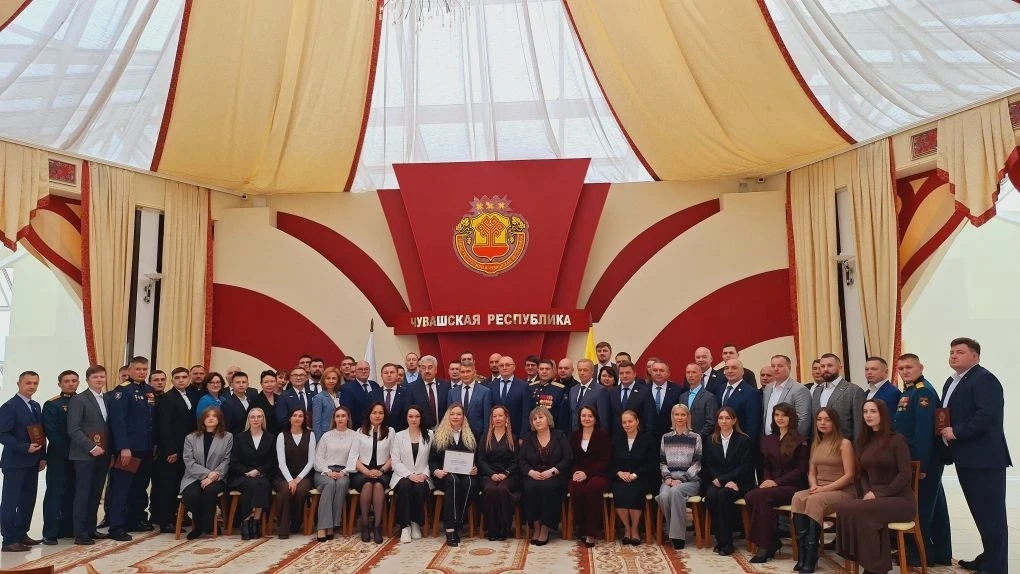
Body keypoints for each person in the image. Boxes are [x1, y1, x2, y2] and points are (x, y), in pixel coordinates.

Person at [939, 337, 1011, 574]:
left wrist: (956, 432)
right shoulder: (952, 381)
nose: (953, 355)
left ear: (975, 356)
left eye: (960, 352)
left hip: (985, 459)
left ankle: (996, 567)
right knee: (981, 514)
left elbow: (987, 415)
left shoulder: (984, 379)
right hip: (966, 458)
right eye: (952, 351)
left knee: (992, 516)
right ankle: (987, 558)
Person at [835, 400, 915, 574]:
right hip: (875, 498)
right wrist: (867, 492)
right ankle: (872, 563)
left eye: (873, 411)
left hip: (900, 499)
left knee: (862, 512)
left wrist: (879, 494)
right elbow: (862, 474)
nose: (868, 415)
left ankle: (874, 569)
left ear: (882, 414)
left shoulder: (897, 440)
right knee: (843, 507)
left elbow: (904, 475)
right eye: (865, 412)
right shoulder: (864, 441)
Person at [892, 353, 952, 567]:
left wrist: (922, 466)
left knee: (922, 508)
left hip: (923, 460)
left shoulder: (923, 391)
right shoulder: (909, 391)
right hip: (915, 458)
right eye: (901, 368)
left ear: (920, 367)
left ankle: (920, 554)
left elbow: (924, 433)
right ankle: (941, 553)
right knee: (936, 507)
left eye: (909, 367)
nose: (904, 371)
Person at [790, 407, 856, 573]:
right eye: (819, 419)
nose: (823, 423)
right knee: (798, 497)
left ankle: (812, 554)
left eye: (827, 420)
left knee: (814, 500)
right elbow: (812, 472)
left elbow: (849, 475)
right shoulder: (816, 443)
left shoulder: (844, 444)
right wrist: (814, 485)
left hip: (843, 491)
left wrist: (823, 489)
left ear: (835, 422)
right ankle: (803, 552)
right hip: (819, 488)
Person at [745, 403, 808, 563]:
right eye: (776, 415)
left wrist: (775, 482)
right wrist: (767, 480)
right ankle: (771, 540)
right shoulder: (768, 440)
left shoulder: (800, 440)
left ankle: (765, 546)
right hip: (772, 486)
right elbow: (766, 466)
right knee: (750, 496)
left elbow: (800, 470)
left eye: (784, 415)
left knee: (760, 496)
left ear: (791, 418)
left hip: (793, 486)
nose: (780, 418)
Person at [107, 356, 156, 540]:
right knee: (121, 488)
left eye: (145, 369)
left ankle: (134, 520)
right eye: (138, 369)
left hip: (146, 448)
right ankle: (116, 527)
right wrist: (123, 447)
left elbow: (152, 420)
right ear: (129, 370)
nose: (142, 372)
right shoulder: (122, 391)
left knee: (139, 487)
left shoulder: (149, 390)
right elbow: (118, 422)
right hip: (129, 449)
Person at [0, 371, 46, 551]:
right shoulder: (9, 407)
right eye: (28, 383)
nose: (32, 386)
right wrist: (24, 447)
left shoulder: (35, 406)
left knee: (28, 500)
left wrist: (42, 457)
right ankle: (9, 540)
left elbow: (40, 434)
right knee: (11, 502)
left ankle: (21, 533)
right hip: (15, 462)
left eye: (35, 383)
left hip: (33, 462)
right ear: (18, 384)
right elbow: (3, 434)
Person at [67, 365, 111, 546]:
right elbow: (73, 429)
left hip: (103, 454)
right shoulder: (79, 399)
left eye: (102, 377)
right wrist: (91, 447)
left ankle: (91, 528)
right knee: (83, 494)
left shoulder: (107, 398)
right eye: (95, 377)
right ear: (87, 380)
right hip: (84, 455)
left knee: (96, 493)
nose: (99, 380)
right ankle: (80, 533)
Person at [702, 406, 755, 556]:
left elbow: (745, 466)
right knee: (711, 496)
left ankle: (727, 542)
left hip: (739, 483)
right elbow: (708, 464)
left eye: (727, 418)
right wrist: (720, 480)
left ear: (734, 420)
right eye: (721, 418)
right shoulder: (711, 440)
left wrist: (726, 480)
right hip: (717, 481)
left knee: (724, 495)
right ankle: (721, 539)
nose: (724, 421)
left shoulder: (743, 440)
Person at [519, 406, 572, 545]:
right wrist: (531, 472)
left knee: (549, 488)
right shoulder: (528, 438)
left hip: (555, 475)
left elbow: (568, 459)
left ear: (548, 419)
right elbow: (521, 460)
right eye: (534, 419)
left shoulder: (559, 436)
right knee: (530, 488)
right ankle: (536, 527)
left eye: (541, 417)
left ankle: (545, 528)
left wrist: (552, 471)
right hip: (534, 474)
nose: (537, 421)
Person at [153, 366, 196, 533]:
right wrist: (170, 450)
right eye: (177, 378)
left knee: (179, 484)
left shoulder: (191, 395)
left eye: (184, 377)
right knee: (168, 486)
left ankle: (178, 516)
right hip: (172, 450)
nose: (181, 380)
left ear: (189, 379)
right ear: (172, 381)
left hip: (187, 448)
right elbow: (164, 427)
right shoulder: (167, 398)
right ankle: (165, 521)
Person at [179, 407, 232, 540]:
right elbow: (189, 461)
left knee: (209, 491)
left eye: (214, 416)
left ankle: (203, 527)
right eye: (207, 416)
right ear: (202, 420)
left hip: (218, 477)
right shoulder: (190, 438)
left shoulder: (227, 437)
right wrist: (208, 474)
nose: (211, 418)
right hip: (193, 476)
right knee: (191, 494)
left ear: (219, 419)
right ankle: (202, 525)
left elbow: (227, 460)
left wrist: (214, 475)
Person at [430, 404, 478, 547]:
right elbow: (432, 460)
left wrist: (475, 468)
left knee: (471, 482)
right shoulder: (439, 434)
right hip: (444, 475)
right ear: (448, 416)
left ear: (463, 417)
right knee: (453, 480)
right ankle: (450, 528)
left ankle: (458, 522)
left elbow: (476, 459)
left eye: (458, 414)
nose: (455, 417)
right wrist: (436, 471)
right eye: (452, 414)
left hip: (465, 474)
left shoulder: (471, 434)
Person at [656, 404, 702, 549]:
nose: (680, 418)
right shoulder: (665, 437)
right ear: (672, 417)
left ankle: (677, 536)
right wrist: (667, 478)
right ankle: (673, 530)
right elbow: (662, 462)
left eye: (683, 415)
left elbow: (697, 464)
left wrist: (682, 480)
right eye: (677, 414)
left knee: (676, 492)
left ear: (688, 417)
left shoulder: (695, 437)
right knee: (663, 496)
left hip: (690, 480)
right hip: (669, 478)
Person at [41, 369, 79, 544]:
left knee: (73, 492)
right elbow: (50, 431)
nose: (70, 383)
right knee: (55, 493)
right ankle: (50, 532)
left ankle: (68, 528)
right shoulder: (52, 404)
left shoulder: (83, 401)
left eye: (74, 380)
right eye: (66, 381)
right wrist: (68, 451)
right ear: (60, 384)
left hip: (80, 456)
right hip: (59, 455)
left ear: (78, 383)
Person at [347, 402, 392, 544]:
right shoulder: (360, 431)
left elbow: (394, 456)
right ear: (369, 415)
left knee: (378, 486)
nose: (377, 416)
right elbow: (353, 457)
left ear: (384, 415)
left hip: (383, 470)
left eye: (381, 413)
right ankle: (365, 525)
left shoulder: (390, 432)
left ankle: (377, 526)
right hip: (362, 471)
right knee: (367, 485)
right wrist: (367, 472)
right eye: (374, 413)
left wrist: (381, 470)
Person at [228, 407, 276, 540]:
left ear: (263, 419)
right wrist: (247, 471)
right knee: (251, 484)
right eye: (253, 417)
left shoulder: (270, 437)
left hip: (263, 474)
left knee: (262, 483)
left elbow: (273, 461)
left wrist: (259, 471)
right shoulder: (240, 437)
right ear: (248, 420)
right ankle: (246, 520)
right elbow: (234, 461)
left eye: (259, 416)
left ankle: (256, 520)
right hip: (243, 475)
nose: (256, 419)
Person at [610, 409, 656, 545]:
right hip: (621, 478)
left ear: (637, 422)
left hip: (641, 477)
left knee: (634, 493)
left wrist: (635, 475)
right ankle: (627, 529)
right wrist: (619, 473)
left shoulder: (647, 439)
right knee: (619, 493)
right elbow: (610, 462)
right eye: (624, 422)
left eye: (630, 421)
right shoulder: (616, 439)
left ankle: (635, 529)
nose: (627, 424)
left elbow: (651, 463)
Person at [312, 405, 356, 542]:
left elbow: (354, 457)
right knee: (330, 484)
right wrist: (327, 471)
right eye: (337, 416)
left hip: (344, 471)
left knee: (341, 484)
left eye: (343, 416)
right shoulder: (326, 436)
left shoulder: (354, 435)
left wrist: (344, 471)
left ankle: (331, 526)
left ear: (348, 418)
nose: (340, 419)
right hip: (324, 471)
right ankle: (322, 527)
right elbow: (318, 458)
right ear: (334, 419)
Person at [569, 405, 610, 547]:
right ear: (579, 418)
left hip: (598, 473)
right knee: (575, 487)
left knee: (593, 487)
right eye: (583, 416)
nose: (586, 418)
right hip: (579, 472)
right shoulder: (575, 435)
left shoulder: (602, 435)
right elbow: (571, 459)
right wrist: (576, 473)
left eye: (590, 416)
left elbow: (605, 460)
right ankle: (581, 528)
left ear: (595, 418)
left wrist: (587, 473)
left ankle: (591, 532)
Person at [391, 406, 433, 543]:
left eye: (417, 416)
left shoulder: (430, 435)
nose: (414, 419)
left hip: (423, 476)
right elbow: (395, 461)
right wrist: (409, 475)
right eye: (410, 416)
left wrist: (425, 475)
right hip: (402, 475)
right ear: (406, 418)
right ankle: (405, 527)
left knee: (420, 488)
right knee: (405, 486)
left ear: (421, 418)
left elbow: (433, 460)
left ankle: (415, 523)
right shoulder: (399, 436)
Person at [477, 405, 519, 541]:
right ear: (491, 419)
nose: (497, 418)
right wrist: (491, 474)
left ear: (506, 418)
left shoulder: (513, 437)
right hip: (488, 474)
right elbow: (481, 460)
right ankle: (492, 529)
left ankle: (504, 528)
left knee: (502, 489)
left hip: (509, 475)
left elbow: (516, 461)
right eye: (494, 416)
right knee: (490, 490)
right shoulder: (485, 437)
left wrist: (506, 473)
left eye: (500, 415)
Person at [274, 407, 316, 539]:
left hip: (304, 475)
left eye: (300, 416)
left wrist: (298, 479)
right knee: (286, 490)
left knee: (300, 491)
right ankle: (283, 527)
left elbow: (311, 461)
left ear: (304, 419)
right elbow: (281, 462)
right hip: (284, 475)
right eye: (294, 415)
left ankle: (296, 523)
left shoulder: (310, 435)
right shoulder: (282, 436)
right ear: (290, 418)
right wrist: (290, 480)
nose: (297, 418)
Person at [811, 354, 864, 440]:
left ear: (840, 367)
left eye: (830, 365)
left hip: (843, 445)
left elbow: (859, 425)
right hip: (820, 444)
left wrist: (857, 447)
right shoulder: (816, 391)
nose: (825, 369)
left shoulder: (853, 390)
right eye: (822, 366)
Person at [763, 355, 812, 436]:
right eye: (773, 366)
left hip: (789, 440)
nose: (775, 369)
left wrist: (790, 440)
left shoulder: (799, 389)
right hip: (768, 439)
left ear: (789, 368)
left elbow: (803, 420)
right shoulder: (768, 388)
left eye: (780, 366)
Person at [608, 362, 655, 437]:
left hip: (638, 437)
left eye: (627, 373)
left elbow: (649, 418)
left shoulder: (645, 392)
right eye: (621, 373)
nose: (624, 376)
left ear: (634, 374)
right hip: (617, 438)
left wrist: (647, 438)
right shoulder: (612, 392)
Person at [488, 355, 530, 436]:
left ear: (514, 367)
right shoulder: (491, 386)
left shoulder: (524, 386)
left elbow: (526, 413)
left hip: (516, 432)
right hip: (496, 433)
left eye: (507, 365)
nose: (504, 367)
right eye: (501, 365)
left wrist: (523, 435)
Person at [406, 355, 450, 430]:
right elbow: (409, 411)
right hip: (422, 431)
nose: (426, 371)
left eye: (430, 368)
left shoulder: (445, 386)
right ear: (420, 370)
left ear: (435, 370)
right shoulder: (411, 388)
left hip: (443, 430)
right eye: (423, 368)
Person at [678, 363, 719, 439]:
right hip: (683, 439)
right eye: (688, 372)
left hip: (701, 440)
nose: (690, 375)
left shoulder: (709, 397)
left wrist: (697, 436)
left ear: (701, 375)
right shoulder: (682, 397)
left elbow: (711, 422)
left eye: (694, 372)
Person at [568, 359, 611, 432]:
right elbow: (572, 415)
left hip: (593, 434)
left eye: (585, 370)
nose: (582, 373)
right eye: (580, 370)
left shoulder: (600, 390)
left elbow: (603, 418)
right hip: (575, 434)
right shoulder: (573, 390)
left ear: (592, 371)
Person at [450, 364, 492, 435]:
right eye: (462, 372)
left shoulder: (485, 392)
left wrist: (485, 436)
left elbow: (487, 417)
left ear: (474, 373)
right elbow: (449, 416)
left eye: (468, 371)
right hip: (458, 435)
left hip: (478, 435)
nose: (465, 375)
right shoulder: (452, 393)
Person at [647, 361, 685, 439]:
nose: (658, 373)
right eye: (655, 370)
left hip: (671, 436)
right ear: (650, 372)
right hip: (648, 437)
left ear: (668, 373)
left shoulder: (678, 390)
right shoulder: (643, 390)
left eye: (661, 370)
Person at [529, 359, 569, 432]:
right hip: (532, 430)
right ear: (538, 370)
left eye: (547, 369)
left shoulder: (560, 389)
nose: (544, 371)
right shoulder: (530, 387)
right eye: (541, 369)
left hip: (551, 430)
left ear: (552, 370)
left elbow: (562, 416)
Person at [369, 363, 410, 432]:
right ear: (381, 375)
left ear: (397, 375)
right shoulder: (373, 394)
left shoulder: (407, 393)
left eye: (392, 372)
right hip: (379, 433)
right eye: (386, 373)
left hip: (401, 433)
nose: (389, 375)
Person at [311, 367, 342, 440]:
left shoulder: (341, 395)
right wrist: (319, 440)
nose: (331, 381)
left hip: (341, 433)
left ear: (338, 381)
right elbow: (316, 422)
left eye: (334, 378)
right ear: (323, 380)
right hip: (326, 435)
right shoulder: (319, 398)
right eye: (328, 378)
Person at [251, 370, 280, 436]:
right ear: (261, 384)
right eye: (266, 382)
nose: (269, 384)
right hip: (263, 436)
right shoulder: (255, 400)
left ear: (276, 382)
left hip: (279, 435)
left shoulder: (280, 398)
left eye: (272, 381)